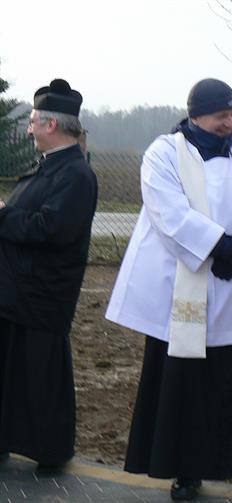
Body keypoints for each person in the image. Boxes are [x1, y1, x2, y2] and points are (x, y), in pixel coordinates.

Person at [106, 78, 232, 501]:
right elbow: (168, 214)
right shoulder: (164, 154)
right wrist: (220, 247)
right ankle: (187, 470)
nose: (229, 123)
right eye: (220, 116)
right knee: (186, 382)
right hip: (190, 283)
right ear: (196, 116)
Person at [0, 79, 97, 468]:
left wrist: (3, 215)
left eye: (33, 121)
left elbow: (52, 229)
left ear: (51, 125)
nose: (29, 130)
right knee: (11, 375)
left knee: (40, 379)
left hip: (42, 296)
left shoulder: (75, 175)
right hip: (19, 293)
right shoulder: (51, 167)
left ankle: (51, 451)